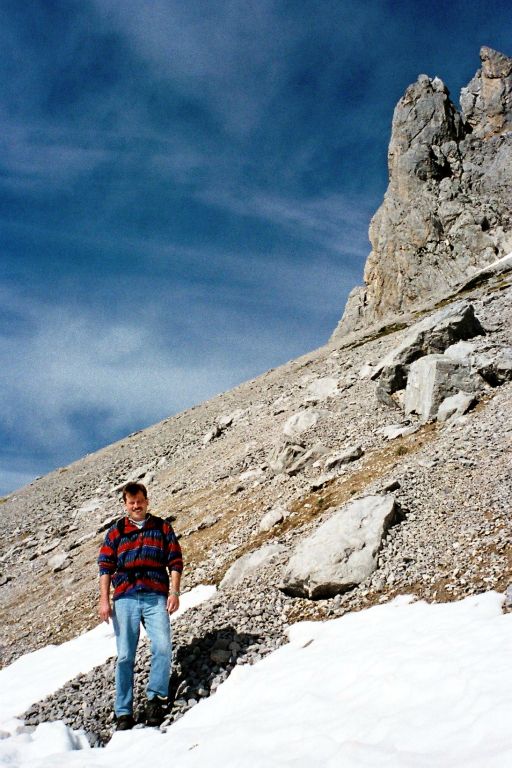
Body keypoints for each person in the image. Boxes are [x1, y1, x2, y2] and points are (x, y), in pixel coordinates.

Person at [98, 481, 183, 730]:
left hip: (156, 595)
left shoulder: (162, 527)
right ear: (125, 505)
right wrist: (104, 600)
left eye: (140, 501)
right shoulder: (115, 532)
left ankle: (155, 699)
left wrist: (175, 592)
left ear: (147, 501)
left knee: (163, 646)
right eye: (131, 502)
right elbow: (105, 566)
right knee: (125, 655)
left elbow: (175, 561)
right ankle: (123, 711)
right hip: (125, 597)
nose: (136, 506)